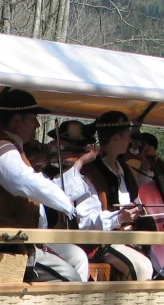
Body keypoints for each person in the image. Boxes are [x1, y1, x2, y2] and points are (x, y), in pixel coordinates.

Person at [0, 89, 89, 282]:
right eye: (33, 118)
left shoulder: (12, 146)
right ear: (17, 120)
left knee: (78, 257)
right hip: (8, 243)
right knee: (69, 277)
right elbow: (24, 180)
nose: (37, 124)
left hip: (27, 238)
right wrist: (66, 204)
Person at [59, 111, 154, 281]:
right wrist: (119, 217)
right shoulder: (91, 173)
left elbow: (139, 198)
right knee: (141, 268)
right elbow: (86, 221)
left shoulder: (124, 170)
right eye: (127, 136)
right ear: (116, 139)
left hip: (128, 239)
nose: (130, 140)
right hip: (102, 242)